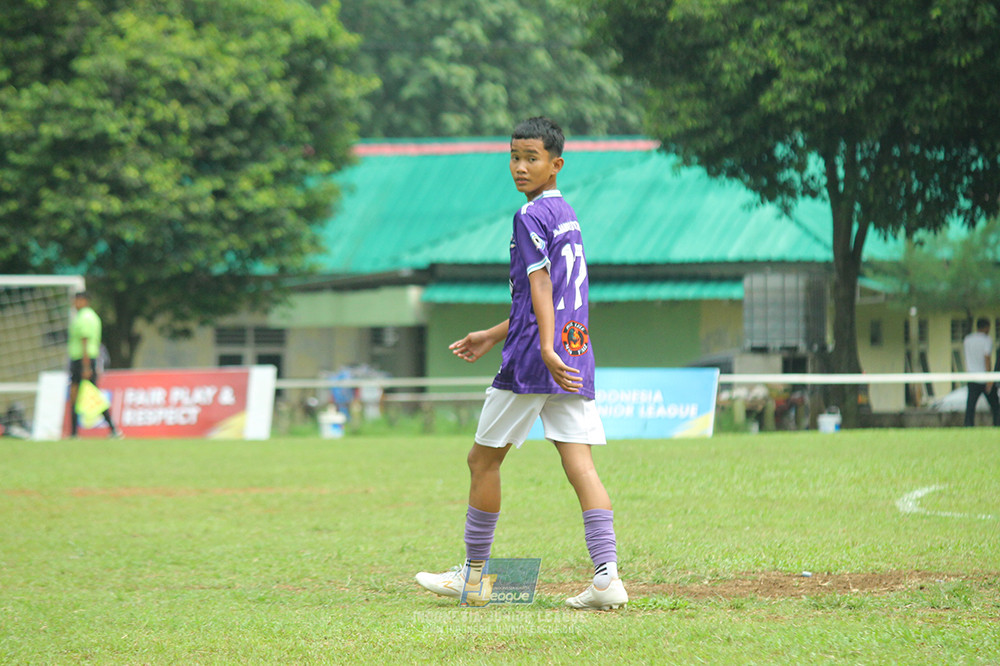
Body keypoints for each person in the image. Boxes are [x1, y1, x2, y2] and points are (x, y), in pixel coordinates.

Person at [414, 117, 627, 610]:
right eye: (514, 157)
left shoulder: (528, 216)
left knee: (482, 459)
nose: (520, 167)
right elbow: (546, 298)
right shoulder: (566, 213)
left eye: (531, 158)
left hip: (538, 358)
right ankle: (606, 578)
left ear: (557, 164)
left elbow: (540, 288)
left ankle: (472, 577)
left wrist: (544, 349)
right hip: (573, 351)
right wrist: (492, 334)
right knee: (579, 463)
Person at [67, 291, 122, 438]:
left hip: (83, 360)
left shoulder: (84, 317)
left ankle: (112, 429)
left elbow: (85, 340)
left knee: (86, 395)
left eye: (77, 300)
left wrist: (86, 366)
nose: (74, 303)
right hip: (86, 360)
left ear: (84, 301)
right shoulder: (91, 316)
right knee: (82, 395)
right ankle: (74, 432)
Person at [962, 317, 1000, 427]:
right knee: (995, 405)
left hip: (972, 377)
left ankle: (968, 425)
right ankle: (997, 424)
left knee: (971, 405)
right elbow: (987, 359)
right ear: (986, 327)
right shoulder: (986, 340)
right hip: (984, 377)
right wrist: (989, 379)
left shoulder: (967, 339)